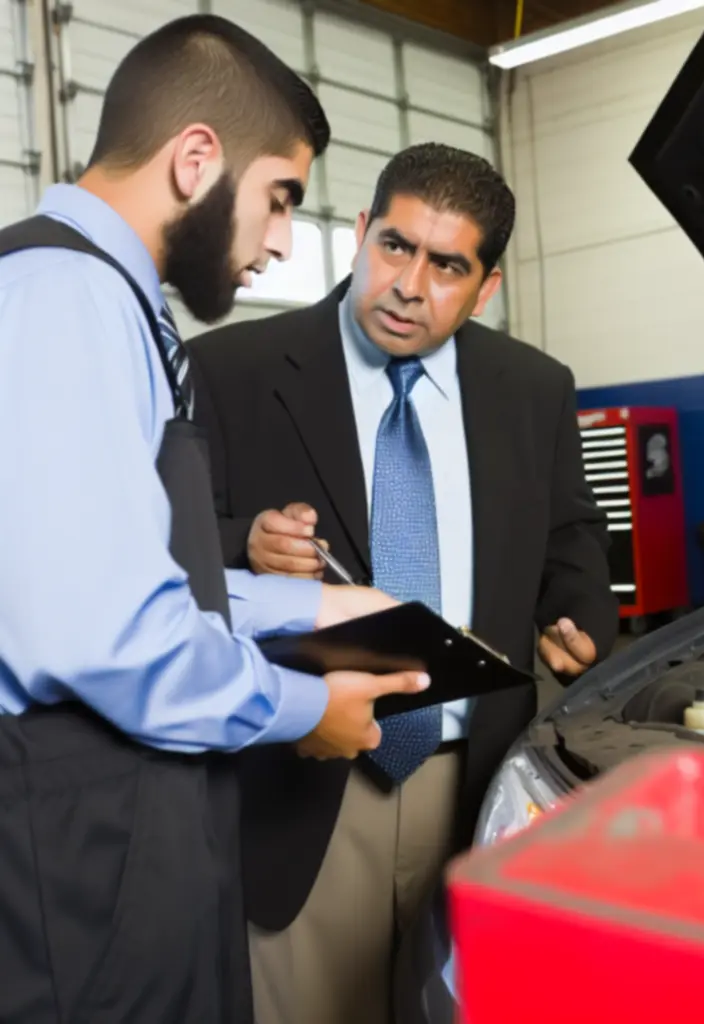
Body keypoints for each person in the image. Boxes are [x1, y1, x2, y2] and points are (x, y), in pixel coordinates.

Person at [0, 16, 429, 1024]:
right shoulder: (56, 300)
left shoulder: (114, 304)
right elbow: (106, 637)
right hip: (76, 868)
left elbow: (125, 567)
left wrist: (304, 608)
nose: (282, 242)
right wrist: (302, 706)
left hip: (139, 850)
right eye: (280, 197)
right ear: (197, 159)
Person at [189, 141, 619, 1023]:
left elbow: (572, 531)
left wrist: (581, 613)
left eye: (447, 265)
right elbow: (167, 542)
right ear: (358, 233)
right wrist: (245, 543)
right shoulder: (233, 372)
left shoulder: (532, 390)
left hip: (478, 784)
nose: (408, 284)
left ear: (486, 285)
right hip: (303, 782)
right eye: (394, 246)